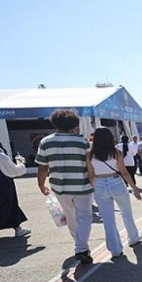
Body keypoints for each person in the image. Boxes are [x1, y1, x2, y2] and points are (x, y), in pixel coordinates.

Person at [36, 109, 94, 264]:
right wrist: (94, 181)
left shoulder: (46, 142)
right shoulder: (82, 142)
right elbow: (89, 165)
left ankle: (80, 246)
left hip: (60, 187)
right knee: (85, 216)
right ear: (74, 124)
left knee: (70, 216)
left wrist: (41, 184)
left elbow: (42, 167)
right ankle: (81, 247)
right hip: (82, 185)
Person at [86, 128, 142, 258]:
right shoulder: (116, 152)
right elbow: (124, 172)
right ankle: (133, 238)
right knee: (126, 213)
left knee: (108, 220)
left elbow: (91, 175)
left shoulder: (89, 154)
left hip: (99, 184)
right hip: (115, 182)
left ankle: (115, 249)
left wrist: (96, 188)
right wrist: (134, 188)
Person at [0, 134, 31, 246]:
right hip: (2, 186)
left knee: (10, 207)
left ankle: (18, 228)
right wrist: (21, 163)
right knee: (1, 209)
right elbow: (14, 171)